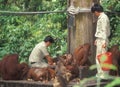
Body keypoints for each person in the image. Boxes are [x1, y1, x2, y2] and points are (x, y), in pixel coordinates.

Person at [91, 4, 111, 79]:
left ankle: (104, 75)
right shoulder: (101, 17)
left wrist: (104, 41)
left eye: (94, 13)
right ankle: (100, 74)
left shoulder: (103, 18)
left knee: (103, 58)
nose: (94, 14)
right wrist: (97, 39)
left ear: (96, 11)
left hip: (103, 40)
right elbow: (100, 30)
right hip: (100, 39)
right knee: (98, 57)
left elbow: (104, 30)